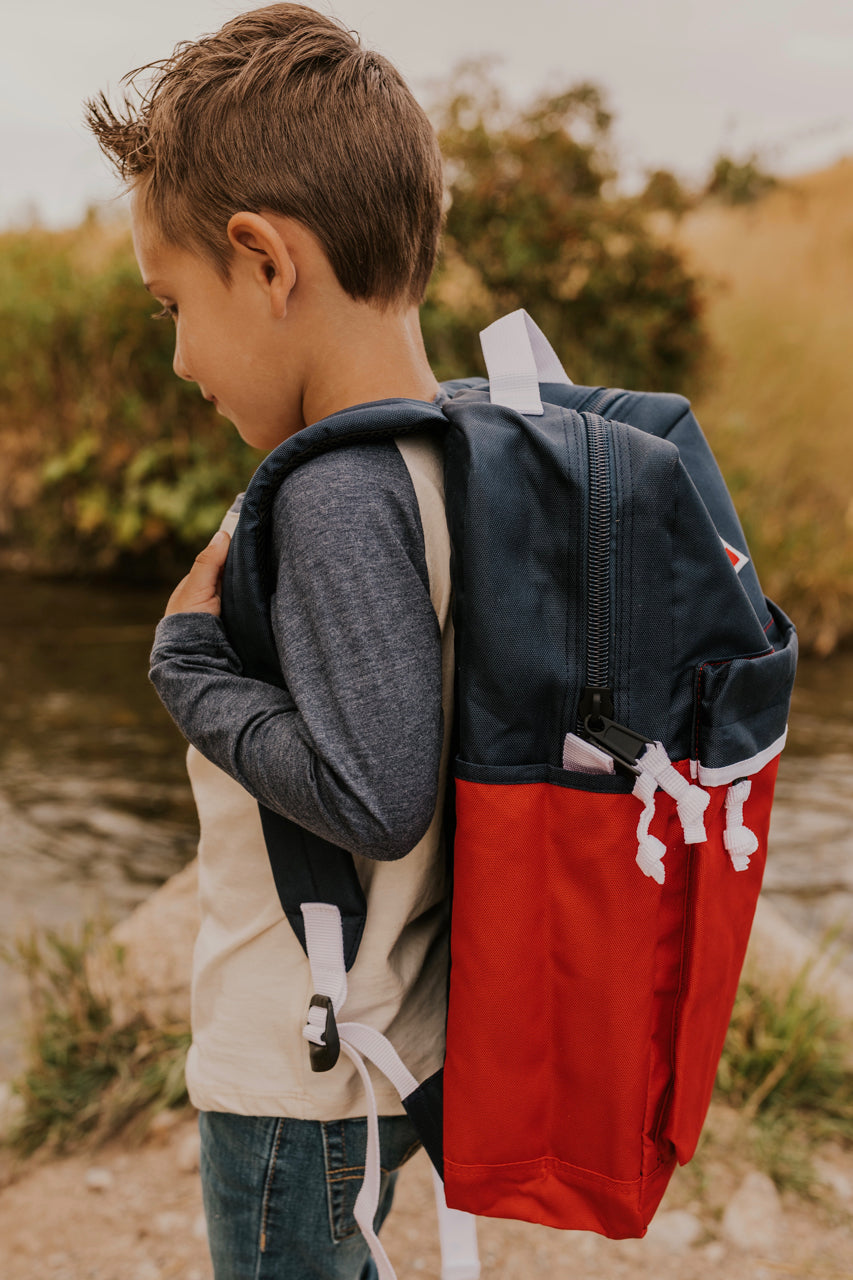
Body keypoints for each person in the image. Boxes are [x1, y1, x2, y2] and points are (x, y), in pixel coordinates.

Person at [85, 6, 453, 1277]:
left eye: (171, 304)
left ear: (265, 260)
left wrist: (189, 673)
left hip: (291, 1068)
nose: (181, 356)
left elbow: (375, 789)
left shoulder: (331, 492)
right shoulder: (442, 446)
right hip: (385, 1024)